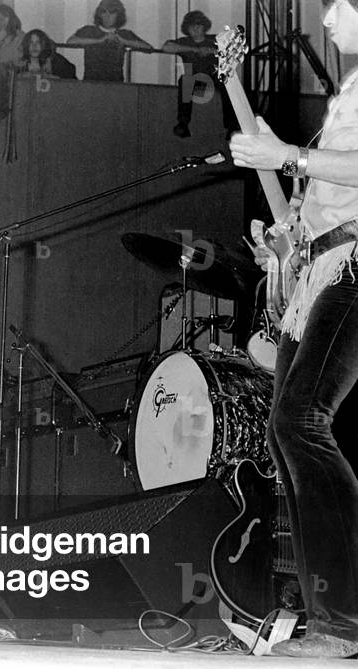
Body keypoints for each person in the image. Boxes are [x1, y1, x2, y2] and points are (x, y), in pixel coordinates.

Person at [227, 0, 358, 658]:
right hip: (321, 267)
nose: (327, 17)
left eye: (339, 5)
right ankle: (325, 614)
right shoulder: (350, 92)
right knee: (288, 433)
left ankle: (343, 621)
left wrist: (286, 156)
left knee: (298, 423)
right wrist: (284, 244)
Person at [162, 10, 231, 138]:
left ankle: (231, 126)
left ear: (204, 27)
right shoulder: (185, 42)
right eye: (192, 25)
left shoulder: (214, 40)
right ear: (187, 28)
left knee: (226, 79)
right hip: (198, 88)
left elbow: (234, 48)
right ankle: (183, 123)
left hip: (214, 84)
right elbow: (166, 47)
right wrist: (195, 49)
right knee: (185, 79)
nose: (195, 28)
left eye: (199, 25)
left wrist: (213, 51)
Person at [68, 0, 151, 82]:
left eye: (112, 13)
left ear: (118, 15)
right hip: (91, 83)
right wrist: (99, 40)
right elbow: (70, 41)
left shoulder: (124, 33)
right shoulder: (89, 30)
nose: (107, 16)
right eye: (104, 12)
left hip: (116, 84)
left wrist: (123, 41)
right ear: (99, 14)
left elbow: (148, 48)